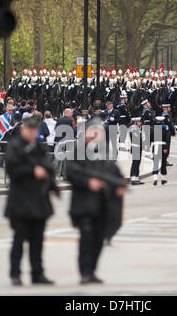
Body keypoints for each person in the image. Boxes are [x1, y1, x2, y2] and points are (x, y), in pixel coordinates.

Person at [66, 117, 126, 284]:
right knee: (86, 238)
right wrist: (88, 182)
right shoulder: (78, 150)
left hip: (101, 203)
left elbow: (114, 171)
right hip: (84, 203)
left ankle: (92, 271)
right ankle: (84, 272)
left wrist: (120, 184)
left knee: (99, 239)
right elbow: (70, 172)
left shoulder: (102, 151)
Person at [4, 115, 58, 286]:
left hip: (39, 200)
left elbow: (48, 166)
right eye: (31, 129)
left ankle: (37, 273)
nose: (33, 133)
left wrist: (53, 186)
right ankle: (15, 274)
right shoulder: (16, 145)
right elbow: (12, 169)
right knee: (19, 240)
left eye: (35, 130)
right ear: (23, 129)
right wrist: (32, 170)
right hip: (21, 201)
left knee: (37, 241)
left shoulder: (37, 147)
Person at [129, 117, 144, 185]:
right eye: (139, 122)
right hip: (136, 147)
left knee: (138, 163)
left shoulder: (137, 128)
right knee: (135, 163)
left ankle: (136, 178)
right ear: (135, 122)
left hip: (138, 147)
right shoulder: (133, 129)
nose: (140, 123)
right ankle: (133, 178)